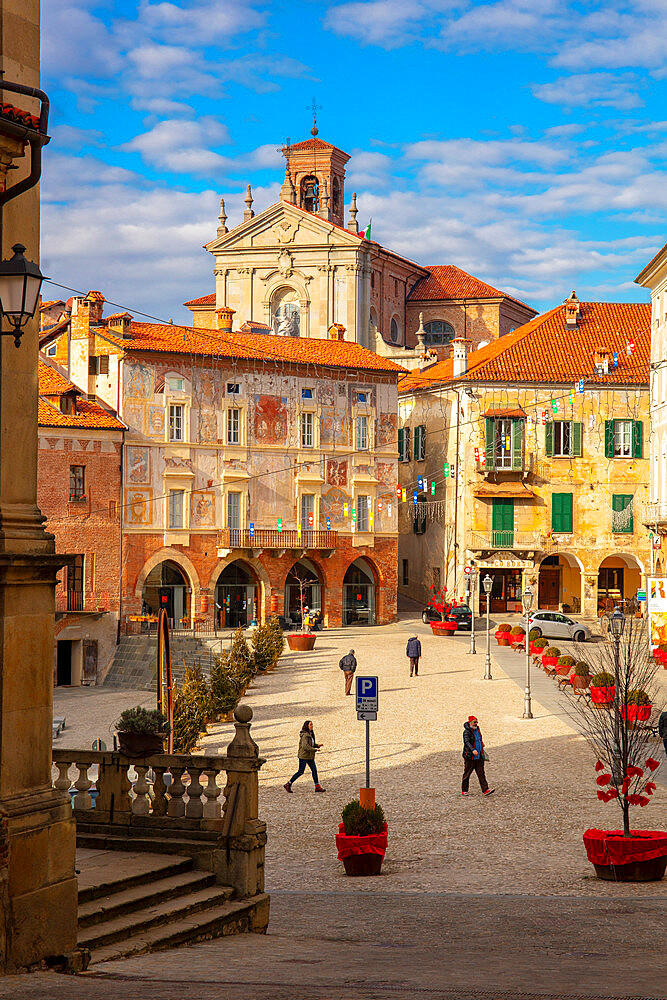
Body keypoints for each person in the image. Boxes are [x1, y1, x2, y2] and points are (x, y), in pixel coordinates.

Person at [284, 720, 325, 792]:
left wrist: (317, 745)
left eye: (312, 725)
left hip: (310, 756)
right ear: (307, 726)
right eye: (310, 725)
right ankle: (288, 784)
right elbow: (305, 746)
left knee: (314, 770)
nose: (312, 726)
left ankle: (317, 786)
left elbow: (311, 744)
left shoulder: (311, 733)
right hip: (304, 756)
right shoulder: (305, 736)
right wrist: (314, 750)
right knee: (300, 771)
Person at [461, 716, 494, 796]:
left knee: (481, 773)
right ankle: (464, 789)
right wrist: (473, 750)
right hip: (470, 757)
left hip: (479, 756)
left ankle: (485, 789)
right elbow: (467, 742)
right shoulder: (466, 732)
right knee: (467, 773)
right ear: (470, 723)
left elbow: (478, 739)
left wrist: (481, 744)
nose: (476, 724)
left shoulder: (477, 730)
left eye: (476, 722)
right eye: (474, 722)